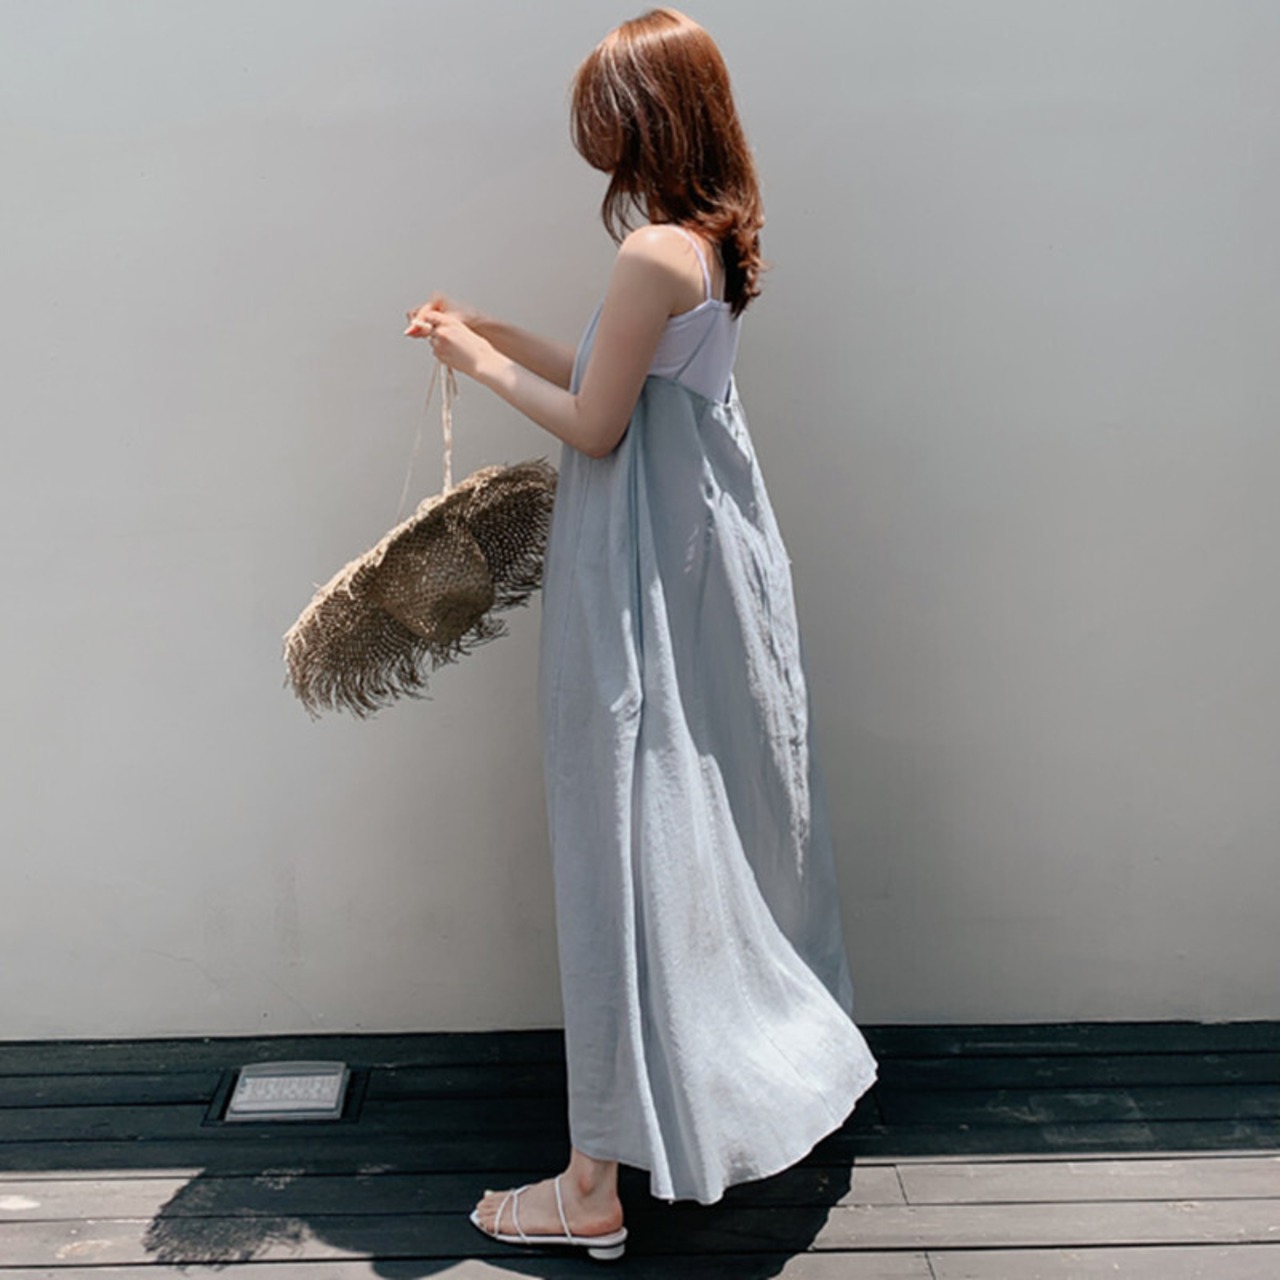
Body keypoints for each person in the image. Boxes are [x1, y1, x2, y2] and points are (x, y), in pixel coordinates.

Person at [405, 7, 877, 1262]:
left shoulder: (651, 250)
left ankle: (592, 1182)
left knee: (622, 833)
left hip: (639, 581)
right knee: (685, 830)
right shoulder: (705, 242)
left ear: (648, 116)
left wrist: (469, 358)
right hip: (695, 566)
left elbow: (595, 424)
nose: (592, 135)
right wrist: (487, 331)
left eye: (605, 111)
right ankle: (702, 1106)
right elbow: (610, 374)